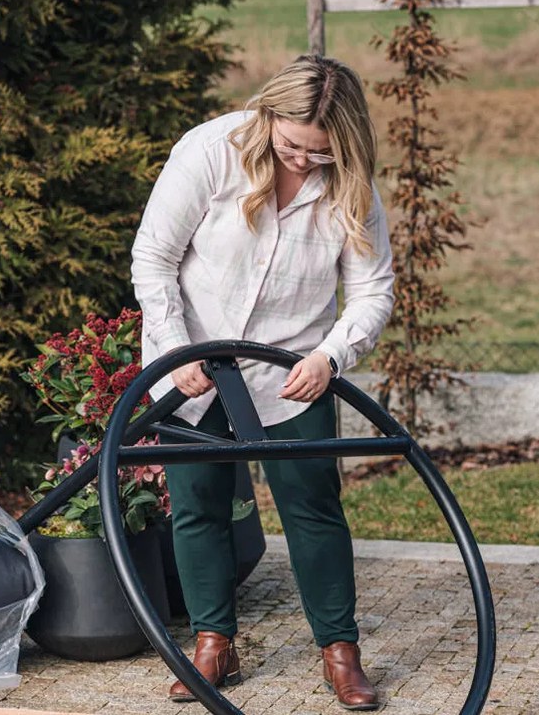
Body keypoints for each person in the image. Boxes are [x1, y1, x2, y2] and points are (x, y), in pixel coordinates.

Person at [130, 54, 394, 711]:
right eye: (292, 146)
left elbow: (372, 290)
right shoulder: (208, 152)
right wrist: (174, 348)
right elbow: (154, 257)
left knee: (312, 504)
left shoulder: (350, 183)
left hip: (291, 370)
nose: (304, 162)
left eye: (320, 153)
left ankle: (340, 651)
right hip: (190, 361)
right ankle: (214, 643)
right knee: (198, 502)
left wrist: (332, 355)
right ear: (268, 115)